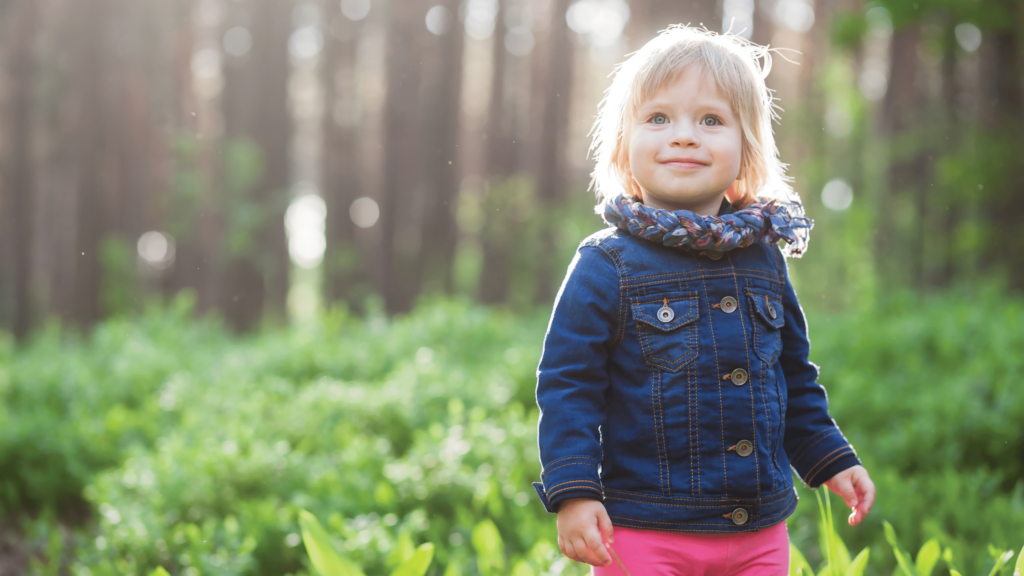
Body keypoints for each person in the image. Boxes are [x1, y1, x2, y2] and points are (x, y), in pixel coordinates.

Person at [532, 24, 876, 575]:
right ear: (625, 144)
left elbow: (792, 375)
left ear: (746, 146)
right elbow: (568, 385)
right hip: (644, 531)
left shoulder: (765, 259)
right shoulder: (606, 264)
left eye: (711, 120)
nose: (684, 136)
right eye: (659, 118)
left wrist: (830, 458)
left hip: (759, 532)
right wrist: (574, 490)